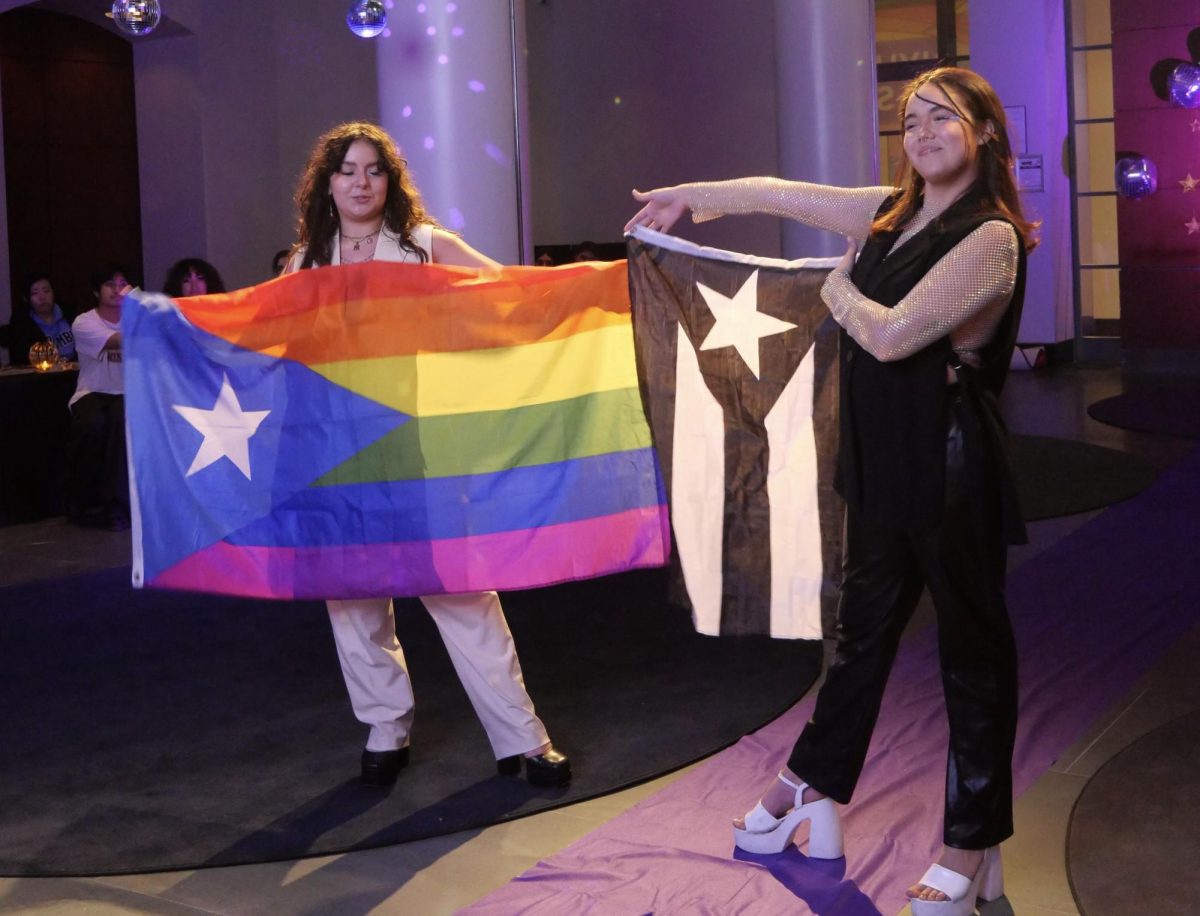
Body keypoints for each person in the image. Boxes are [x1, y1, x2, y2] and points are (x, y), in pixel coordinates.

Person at [626, 66, 1037, 915]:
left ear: (986, 132)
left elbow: (890, 339)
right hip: (883, 458)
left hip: (951, 462)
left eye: (943, 119)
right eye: (911, 120)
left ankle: (972, 845)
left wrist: (835, 284)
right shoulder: (891, 211)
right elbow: (782, 192)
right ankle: (810, 786)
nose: (921, 134)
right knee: (858, 641)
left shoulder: (991, 237)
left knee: (972, 657)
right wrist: (685, 195)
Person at [286, 121, 570, 788]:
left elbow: (504, 291)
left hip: (425, 447)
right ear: (327, 184)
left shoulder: (424, 246)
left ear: (391, 180)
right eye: (348, 171)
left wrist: (576, 288)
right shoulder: (306, 262)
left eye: (373, 170)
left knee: (464, 593)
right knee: (353, 600)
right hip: (339, 455)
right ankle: (386, 727)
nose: (361, 183)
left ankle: (523, 739)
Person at [67, 265, 132, 530]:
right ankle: (81, 499)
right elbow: (118, 341)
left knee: (122, 420)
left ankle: (116, 506)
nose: (117, 290)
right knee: (93, 424)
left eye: (123, 284)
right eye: (110, 284)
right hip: (92, 392)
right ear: (96, 290)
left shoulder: (136, 319)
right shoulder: (84, 322)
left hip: (127, 392)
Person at [6, 273, 76, 364]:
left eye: (46, 291)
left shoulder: (70, 314)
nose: (42, 297)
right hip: (42, 375)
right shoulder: (22, 324)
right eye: (35, 293)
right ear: (26, 298)